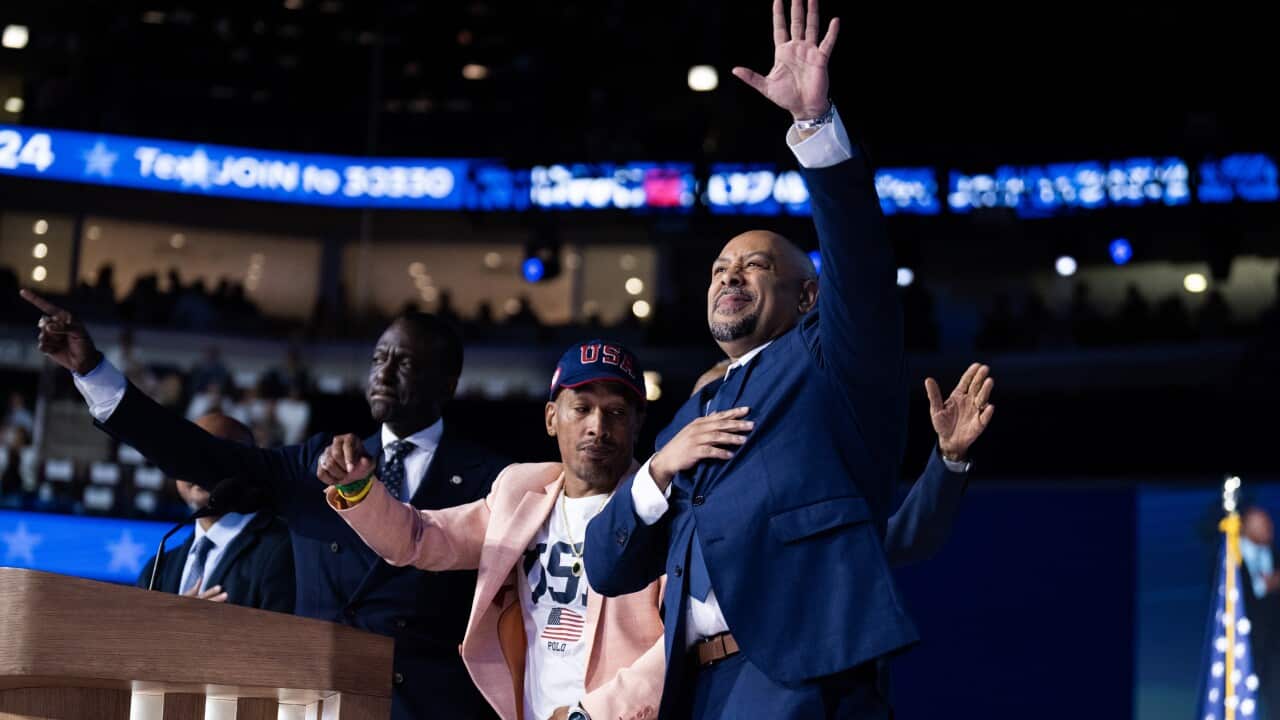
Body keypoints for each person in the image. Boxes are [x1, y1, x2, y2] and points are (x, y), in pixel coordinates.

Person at [584, 1, 994, 715]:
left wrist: (814, 127)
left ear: (808, 297)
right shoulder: (690, 418)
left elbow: (860, 262)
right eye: (718, 268)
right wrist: (657, 469)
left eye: (755, 265)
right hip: (695, 690)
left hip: (798, 682)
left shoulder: (827, 361)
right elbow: (607, 565)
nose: (729, 276)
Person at [21, 289, 507, 720]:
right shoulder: (314, 463)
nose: (383, 372)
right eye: (379, 358)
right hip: (317, 705)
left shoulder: (491, 481)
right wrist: (93, 371)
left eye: (405, 362)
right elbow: (200, 454)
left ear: (447, 382)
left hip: (425, 709)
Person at [319, 340, 666, 720]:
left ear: (637, 423)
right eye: (582, 409)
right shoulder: (521, 492)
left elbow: (679, 640)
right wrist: (358, 489)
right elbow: (419, 538)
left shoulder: (658, 507)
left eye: (616, 412)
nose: (597, 427)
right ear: (551, 418)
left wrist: (588, 714)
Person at [136, 412, 294, 614]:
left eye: (211, 455)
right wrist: (175, 623)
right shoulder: (158, 567)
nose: (196, 467)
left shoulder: (286, 550)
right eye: (186, 455)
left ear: (252, 462)